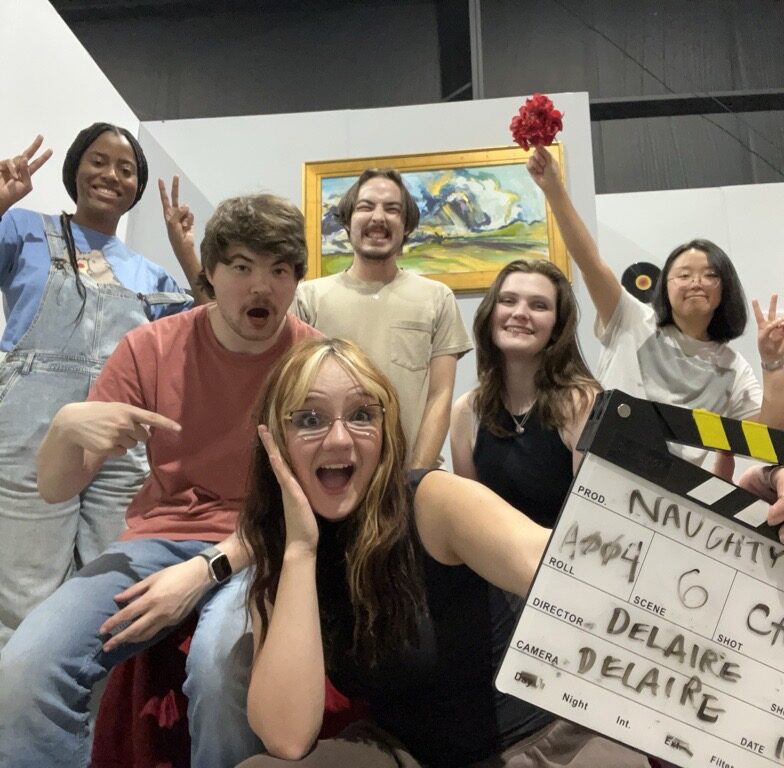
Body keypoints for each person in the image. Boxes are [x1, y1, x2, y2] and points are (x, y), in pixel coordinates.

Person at [0, 193, 320, 768]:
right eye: (241, 267)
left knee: (221, 672)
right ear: (211, 273)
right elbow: (55, 488)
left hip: (263, 542)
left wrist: (206, 569)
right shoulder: (151, 347)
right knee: (25, 671)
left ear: (296, 279)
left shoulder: (313, 362)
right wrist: (66, 428)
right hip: (158, 538)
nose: (261, 287)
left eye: (279, 271)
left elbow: (310, 506)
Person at [236, 337, 649, 768]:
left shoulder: (432, 502)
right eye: (309, 419)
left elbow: (558, 568)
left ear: (385, 431)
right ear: (274, 440)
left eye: (361, 415)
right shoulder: (283, 551)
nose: (339, 439)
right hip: (406, 754)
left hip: (536, 746)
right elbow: (286, 737)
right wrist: (300, 550)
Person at [0, 126, 199, 649]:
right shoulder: (23, 228)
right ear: (74, 170)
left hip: (121, 438)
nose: (111, 174)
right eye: (97, 161)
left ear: (137, 188)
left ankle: (95, 701)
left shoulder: (153, 275)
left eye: (126, 169)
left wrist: (187, 254)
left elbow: (211, 328)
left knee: (110, 587)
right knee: (22, 586)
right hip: (29, 428)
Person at [526, 146, 784, 467]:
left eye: (710, 275)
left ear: (726, 290)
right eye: (684, 274)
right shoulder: (631, 319)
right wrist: (554, 189)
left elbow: (773, 440)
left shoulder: (732, 369)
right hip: (602, 478)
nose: (696, 282)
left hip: (675, 494)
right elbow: (590, 262)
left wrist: (773, 362)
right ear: (664, 286)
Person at [293, 168, 472, 468]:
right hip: (332, 471)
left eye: (392, 209)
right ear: (347, 222)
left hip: (409, 475)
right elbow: (295, 395)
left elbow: (439, 396)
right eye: (366, 207)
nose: (378, 217)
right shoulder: (307, 298)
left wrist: (417, 474)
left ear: (406, 226)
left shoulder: (437, 298)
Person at [450, 258, 599, 526]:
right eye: (508, 301)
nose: (520, 313)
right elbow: (468, 523)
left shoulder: (583, 404)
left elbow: (590, 523)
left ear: (557, 327)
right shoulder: (466, 411)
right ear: (490, 314)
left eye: (539, 305)